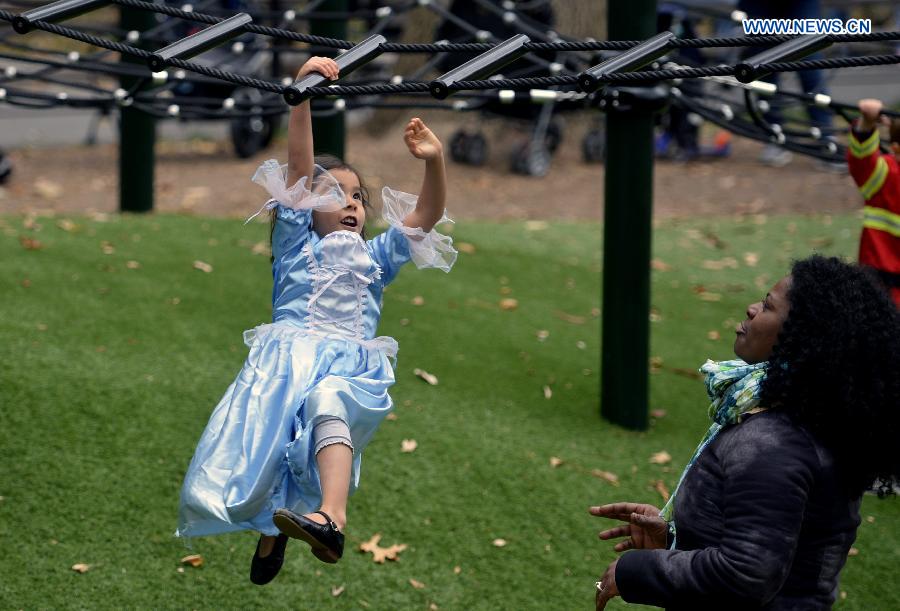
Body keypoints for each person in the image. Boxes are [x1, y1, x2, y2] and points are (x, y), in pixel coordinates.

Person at [176, 56, 456, 585]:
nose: (349, 204)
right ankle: (274, 529)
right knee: (276, 448)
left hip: (348, 364)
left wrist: (434, 161)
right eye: (335, 195)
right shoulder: (297, 247)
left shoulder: (376, 258)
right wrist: (300, 98)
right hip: (287, 360)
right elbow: (301, 173)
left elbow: (426, 217)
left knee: (327, 407)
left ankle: (331, 519)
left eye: (357, 197)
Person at [590, 255, 899, 609]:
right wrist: (675, 540)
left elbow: (746, 574)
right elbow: (773, 542)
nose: (752, 309)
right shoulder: (802, 417)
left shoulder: (776, 444)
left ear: (805, 337)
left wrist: (634, 571)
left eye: (768, 306)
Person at [847, 98, 900, 307]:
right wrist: (867, 124)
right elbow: (861, 159)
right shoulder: (886, 175)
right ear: (895, 150)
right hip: (880, 294)